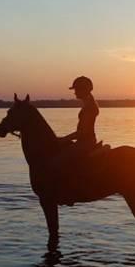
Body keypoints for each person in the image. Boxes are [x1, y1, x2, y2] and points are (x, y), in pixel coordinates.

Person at [54, 76, 100, 204]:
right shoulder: (89, 105)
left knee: (60, 160)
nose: (74, 92)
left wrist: (63, 139)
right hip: (84, 141)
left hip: (86, 143)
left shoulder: (89, 107)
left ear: (83, 90)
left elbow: (83, 132)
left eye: (76, 89)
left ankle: (68, 193)